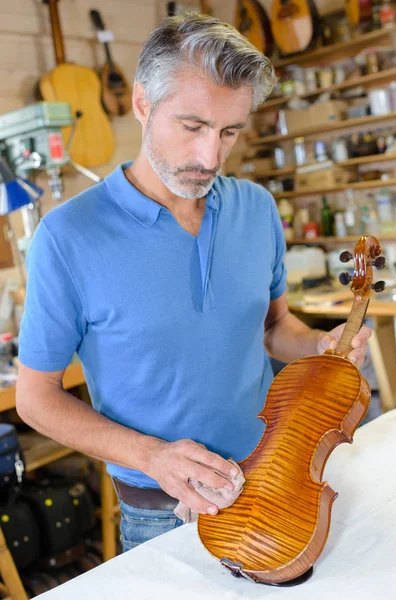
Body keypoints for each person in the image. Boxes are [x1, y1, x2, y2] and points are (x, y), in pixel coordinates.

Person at [16, 13, 371, 552]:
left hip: (277, 476)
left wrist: (319, 347)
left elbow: (274, 327)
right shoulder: (67, 237)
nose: (210, 157)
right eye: (193, 126)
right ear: (142, 104)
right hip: (162, 515)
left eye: (229, 131)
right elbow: (36, 397)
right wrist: (152, 457)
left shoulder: (256, 207)